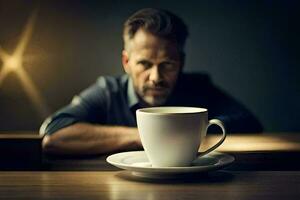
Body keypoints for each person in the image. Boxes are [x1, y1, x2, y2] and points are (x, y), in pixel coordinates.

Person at [40, 8, 263, 155]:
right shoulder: (108, 91)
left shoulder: (197, 87)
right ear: (126, 62)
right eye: (145, 64)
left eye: (167, 64)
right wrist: (143, 136)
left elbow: (249, 122)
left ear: (181, 63)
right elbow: (53, 134)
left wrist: (199, 130)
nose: (156, 77)